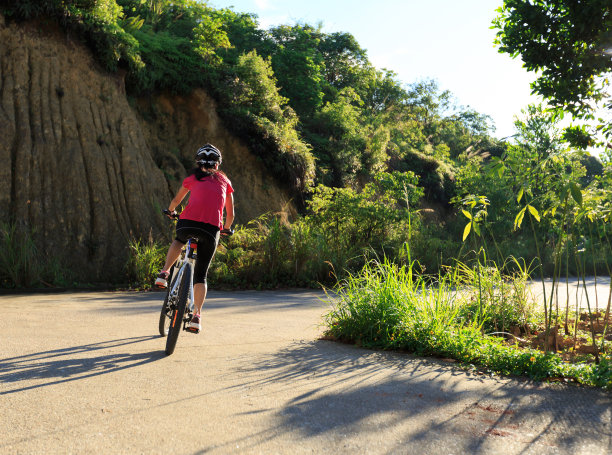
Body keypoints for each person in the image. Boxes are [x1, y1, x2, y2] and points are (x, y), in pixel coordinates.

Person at [155, 144, 234, 333]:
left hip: (187, 223)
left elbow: (176, 201)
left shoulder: (192, 178)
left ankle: (164, 273)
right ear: (218, 164)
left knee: (179, 241)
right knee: (201, 275)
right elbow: (230, 214)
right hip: (210, 230)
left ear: (198, 162)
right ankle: (196, 316)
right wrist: (227, 229)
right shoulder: (225, 181)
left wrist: (172, 212)